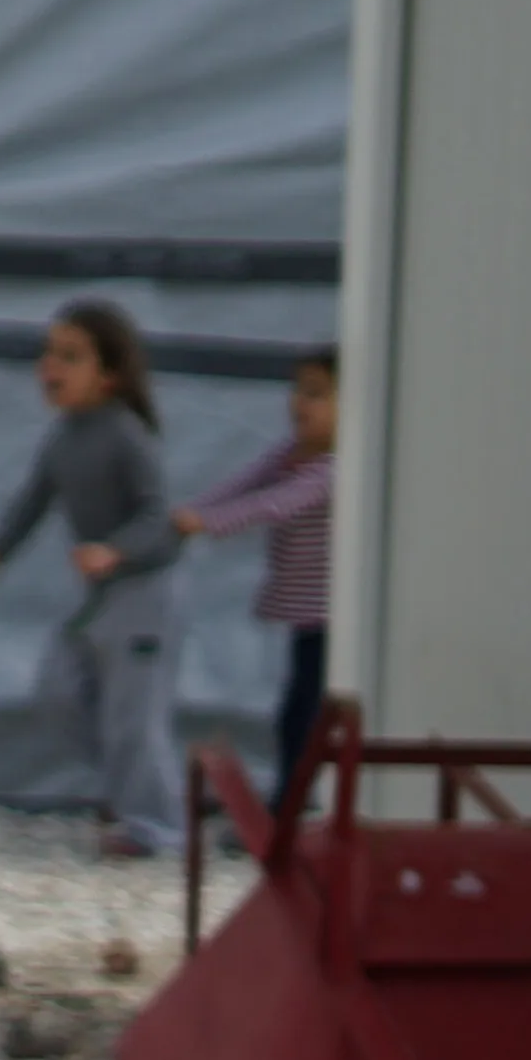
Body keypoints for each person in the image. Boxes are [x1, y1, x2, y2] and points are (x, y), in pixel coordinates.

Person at [0, 299, 187, 858]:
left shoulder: (127, 435)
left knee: (134, 715)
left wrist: (116, 551)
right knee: (60, 691)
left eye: (69, 356)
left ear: (108, 375)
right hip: (102, 598)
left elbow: (161, 518)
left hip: (145, 595)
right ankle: (128, 791)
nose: (50, 367)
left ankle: (158, 829)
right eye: (48, 354)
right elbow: (32, 501)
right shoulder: (63, 438)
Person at [176, 347, 338, 811]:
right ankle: (289, 801)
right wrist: (196, 511)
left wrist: (211, 523)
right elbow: (246, 483)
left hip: (327, 617)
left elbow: (275, 504)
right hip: (304, 616)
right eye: (297, 390)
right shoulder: (291, 455)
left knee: (304, 716)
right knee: (294, 712)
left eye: (316, 394)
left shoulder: (335, 469)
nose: (299, 403)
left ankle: (293, 804)